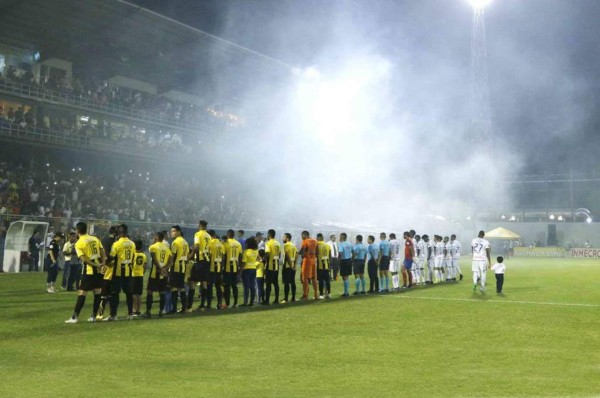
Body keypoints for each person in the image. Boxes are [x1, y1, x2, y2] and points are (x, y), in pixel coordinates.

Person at [65, 222, 106, 323]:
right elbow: (102, 251)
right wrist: (103, 263)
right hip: (98, 269)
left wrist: (96, 265)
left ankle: (75, 317)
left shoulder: (79, 243)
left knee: (82, 292)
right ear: (86, 230)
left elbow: (84, 259)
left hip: (89, 270)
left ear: (77, 231)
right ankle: (93, 316)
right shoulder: (94, 238)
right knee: (97, 292)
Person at [105, 224, 136, 320]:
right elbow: (133, 256)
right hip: (129, 271)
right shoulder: (132, 243)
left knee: (115, 293)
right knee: (129, 293)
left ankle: (113, 315)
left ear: (118, 233)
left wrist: (105, 263)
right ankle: (130, 314)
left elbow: (111, 257)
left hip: (118, 272)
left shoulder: (117, 244)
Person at [145, 231, 170, 317]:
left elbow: (154, 258)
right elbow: (171, 261)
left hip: (155, 271)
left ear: (156, 237)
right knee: (162, 292)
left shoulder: (153, 247)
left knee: (149, 291)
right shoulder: (166, 248)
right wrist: (165, 269)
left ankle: (148, 311)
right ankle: (161, 311)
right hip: (164, 272)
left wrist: (160, 269)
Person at [189, 220, 210, 310]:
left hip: (200, 260)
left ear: (200, 225)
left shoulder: (198, 234)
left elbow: (197, 246)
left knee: (192, 281)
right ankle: (202, 304)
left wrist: (191, 254)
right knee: (204, 282)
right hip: (206, 260)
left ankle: (189, 304)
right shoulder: (208, 236)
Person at [167, 225, 189, 314]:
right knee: (181, 288)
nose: (172, 233)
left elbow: (172, 257)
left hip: (176, 267)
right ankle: (184, 308)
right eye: (171, 231)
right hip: (182, 267)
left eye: (174, 231)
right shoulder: (185, 242)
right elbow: (187, 256)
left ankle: (174, 309)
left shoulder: (175, 243)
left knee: (174, 288)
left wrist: (167, 267)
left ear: (179, 232)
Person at [223, 229, 242, 308]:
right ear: (233, 235)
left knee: (227, 286)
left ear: (227, 234)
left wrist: (222, 266)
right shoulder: (238, 243)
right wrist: (239, 266)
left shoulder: (226, 243)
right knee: (234, 285)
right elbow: (240, 255)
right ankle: (236, 303)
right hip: (235, 266)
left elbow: (224, 256)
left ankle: (227, 303)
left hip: (228, 267)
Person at [207, 229, 225, 309]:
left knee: (209, 286)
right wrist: (222, 265)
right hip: (219, 267)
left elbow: (209, 256)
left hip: (211, 267)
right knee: (218, 286)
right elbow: (223, 256)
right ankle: (219, 303)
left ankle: (209, 304)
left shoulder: (210, 243)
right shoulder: (221, 244)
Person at [264, 229, 281, 304]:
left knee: (268, 284)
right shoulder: (278, 243)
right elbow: (279, 254)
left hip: (270, 266)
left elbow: (267, 253)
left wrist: (263, 259)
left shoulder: (268, 243)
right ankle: (276, 299)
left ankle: (267, 300)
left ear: (269, 234)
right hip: (276, 266)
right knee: (275, 283)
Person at [299, 230, 318, 300]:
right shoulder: (315, 241)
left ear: (305, 235)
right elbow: (317, 252)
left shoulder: (305, 241)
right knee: (313, 278)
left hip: (307, 261)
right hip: (313, 261)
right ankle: (316, 294)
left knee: (305, 278)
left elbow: (302, 251)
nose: (301, 237)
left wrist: (297, 253)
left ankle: (305, 295)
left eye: (302, 235)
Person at [241, 236, 259, 306]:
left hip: (246, 269)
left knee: (246, 286)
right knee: (252, 286)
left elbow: (244, 262)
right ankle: (251, 302)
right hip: (253, 268)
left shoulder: (246, 251)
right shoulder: (256, 251)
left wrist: (240, 272)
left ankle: (245, 302)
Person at [131, 240, 147, 317]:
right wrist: (142, 273)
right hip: (140, 275)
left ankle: (134, 310)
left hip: (133, 275)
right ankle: (138, 310)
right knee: (139, 294)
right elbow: (145, 266)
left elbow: (130, 264)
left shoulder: (133, 254)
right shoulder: (143, 255)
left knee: (133, 293)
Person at [281, 233, 298, 303]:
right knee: (292, 282)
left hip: (287, 267)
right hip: (293, 266)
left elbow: (287, 256)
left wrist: (290, 266)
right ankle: (293, 298)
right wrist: (294, 265)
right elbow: (296, 255)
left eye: (283, 237)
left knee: (286, 283)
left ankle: (286, 299)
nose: (282, 238)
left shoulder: (286, 245)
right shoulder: (293, 245)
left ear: (287, 238)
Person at [316, 233, 331, 299]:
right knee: (327, 280)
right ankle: (329, 293)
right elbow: (330, 255)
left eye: (317, 238)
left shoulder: (317, 245)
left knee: (321, 280)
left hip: (320, 265)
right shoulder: (328, 245)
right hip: (327, 265)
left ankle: (321, 294)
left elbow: (316, 254)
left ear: (319, 238)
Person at [338, 232, 353, 297]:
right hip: (349, 260)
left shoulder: (341, 244)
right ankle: (347, 291)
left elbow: (340, 253)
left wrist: (339, 262)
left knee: (344, 277)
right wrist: (351, 259)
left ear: (342, 237)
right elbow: (353, 252)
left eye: (340, 236)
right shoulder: (349, 243)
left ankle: (346, 292)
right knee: (347, 277)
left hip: (344, 260)